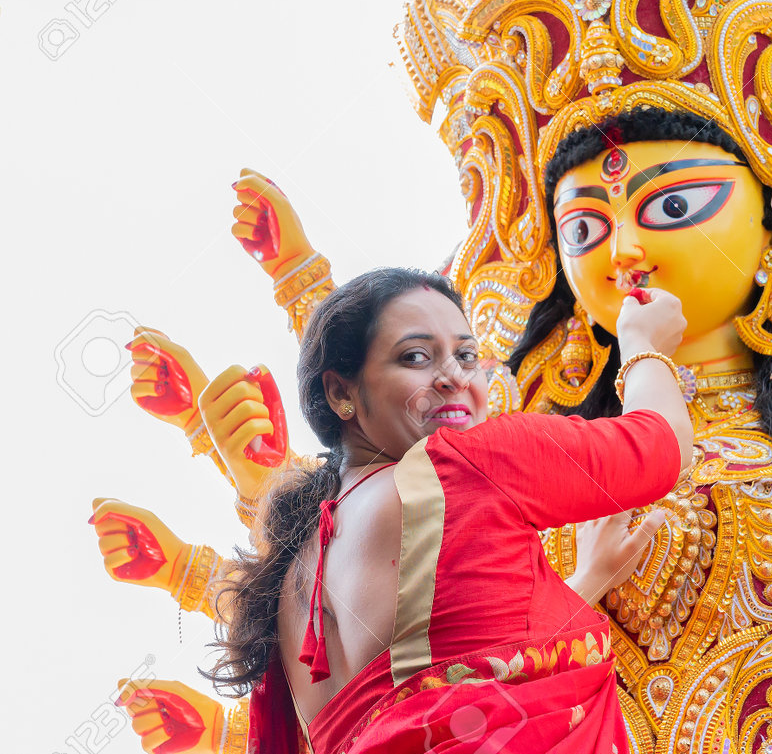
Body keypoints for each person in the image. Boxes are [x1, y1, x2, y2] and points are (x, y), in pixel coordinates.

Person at [206, 267, 696, 753]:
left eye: (466, 355)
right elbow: (663, 446)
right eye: (416, 357)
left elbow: (441, 681)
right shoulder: (465, 466)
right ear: (340, 392)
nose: (453, 378)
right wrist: (642, 342)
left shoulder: (291, 581)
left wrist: (586, 582)